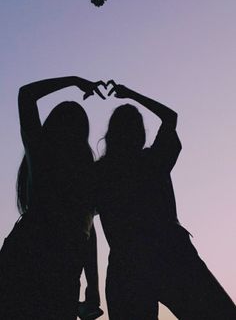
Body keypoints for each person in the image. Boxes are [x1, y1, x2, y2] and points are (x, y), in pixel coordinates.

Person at [96, 80, 236, 320]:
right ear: (140, 134)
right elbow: (170, 117)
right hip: (170, 253)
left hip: (127, 266)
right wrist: (131, 94)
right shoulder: (153, 162)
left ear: (111, 135)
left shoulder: (101, 173)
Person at [0, 76, 105, 320]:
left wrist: (74, 81)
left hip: (30, 262)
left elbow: (26, 93)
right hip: (60, 269)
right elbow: (88, 231)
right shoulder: (83, 175)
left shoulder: (42, 154)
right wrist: (93, 287)